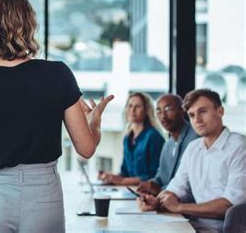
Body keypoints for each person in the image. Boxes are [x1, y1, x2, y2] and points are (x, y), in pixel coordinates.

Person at [0, 0, 113, 233]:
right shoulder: (58, 74)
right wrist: (95, 123)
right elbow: (86, 148)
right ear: (30, 25)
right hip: (44, 193)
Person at [138, 89, 246, 233]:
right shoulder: (193, 148)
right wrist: (156, 201)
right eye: (192, 115)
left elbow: (230, 205)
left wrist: (179, 207)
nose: (197, 120)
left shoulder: (238, 147)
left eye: (203, 111)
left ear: (220, 111)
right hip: (190, 227)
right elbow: (175, 188)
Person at [137, 94, 199, 195]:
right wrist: (151, 184)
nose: (163, 116)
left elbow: (189, 183)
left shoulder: (195, 139)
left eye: (168, 109)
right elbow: (160, 176)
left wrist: (160, 190)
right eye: (159, 111)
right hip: (166, 200)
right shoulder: (168, 145)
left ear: (182, 110)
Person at [98, 92, 165, 185]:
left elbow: (154, 176)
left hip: (147, 193)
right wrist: (110, 177)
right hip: (129, 191)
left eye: (137, 106)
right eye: (130, 106)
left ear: (146, 111)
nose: (132, 110)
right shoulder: (127, 138)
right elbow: (124, 172)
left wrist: (122, 181)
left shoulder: (154, 137)